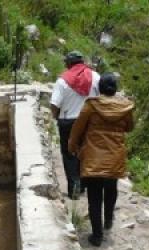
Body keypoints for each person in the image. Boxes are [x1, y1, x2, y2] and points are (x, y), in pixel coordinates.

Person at [68, 73, 134, 247]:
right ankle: (109, 219)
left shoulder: (91, 105)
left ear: (99, 88)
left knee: (94, 196)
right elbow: (130, 127)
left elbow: (77, 128)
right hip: (114, 156)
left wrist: (72, 146)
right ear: (115, 89)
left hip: (93, 156)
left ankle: (97, 235)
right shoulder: (125, 108)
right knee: (111, 189)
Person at [50, 51, 100, 200]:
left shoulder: (62, 81)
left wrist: (56, 117)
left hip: (68, 121)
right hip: (89, 121)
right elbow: (102, 98)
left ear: (69, 63)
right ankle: (85, 185)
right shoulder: (95, 77)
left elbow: (54, 104)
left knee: (69, 154)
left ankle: (74, 188)